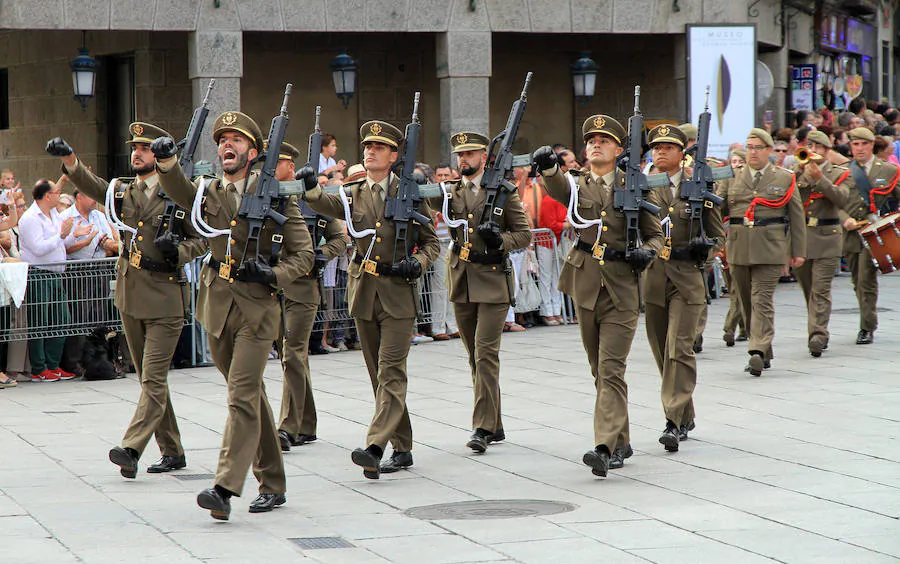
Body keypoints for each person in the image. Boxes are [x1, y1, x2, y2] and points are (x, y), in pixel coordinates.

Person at [151, 111, 314, 519]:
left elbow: (305, 254)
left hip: (258, 308)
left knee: (241, 395)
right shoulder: (209, 191)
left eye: (237, 140)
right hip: (218, 305)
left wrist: (274, 273)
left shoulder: (276, 196)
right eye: (223, 139)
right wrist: (167, 162)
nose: (227, 145)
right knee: (251, 395)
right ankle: (273, 483)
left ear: (254, 152)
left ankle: (224, 486)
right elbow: (179, 191)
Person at [47, 122, 206, 478]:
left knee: (152, 378)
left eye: (145, 148)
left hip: (165, 296)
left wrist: (179, 250)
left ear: (162, 155)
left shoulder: (182, 192)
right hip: (130, 292)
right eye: (134, 147)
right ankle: (173, 451)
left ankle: (132, 447)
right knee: (151, 381)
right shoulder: (124, 190)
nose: (137, 152)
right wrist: (70, 160)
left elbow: (204, 239)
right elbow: (94, 186)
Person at [301, 120, 440, 479]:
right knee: (379, 377)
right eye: (367, 146)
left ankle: (375, 445)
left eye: (379, 146)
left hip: (398, 293)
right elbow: (324, 203)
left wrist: (417, 263)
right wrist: (308, 184)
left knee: (391, 371)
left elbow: (432, 243)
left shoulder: (409, 192)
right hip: (364, 292)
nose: (370, 151)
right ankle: (404, 447)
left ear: (394, 155)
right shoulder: (354, 191)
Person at [532, 114, 663, 477]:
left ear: (620, 149)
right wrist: (547, 166)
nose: (595, 144)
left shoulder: (635, 185)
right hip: (587, 283)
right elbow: (557, 187)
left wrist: (648, 253)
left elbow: (656, 234)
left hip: (622, 284)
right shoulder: (576, 184)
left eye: (604, 140)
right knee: (599, 369)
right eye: (590, 139)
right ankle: (621, 439)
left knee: (610, 368)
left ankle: (604, 446)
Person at [423, 131, 532, 452]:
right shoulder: (450, 191)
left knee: (486, 355)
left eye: (470, 154)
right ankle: (495, 424)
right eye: (460, 155)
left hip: (493, 279)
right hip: (462, 278)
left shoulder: (503, 191)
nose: (463, 160)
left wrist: (501, 241)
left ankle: (482, 427)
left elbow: (523, 235)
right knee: (474, 357)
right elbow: (420, 198)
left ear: (484, 157)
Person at [642, 125, 724, 451]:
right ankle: (685, 413)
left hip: (687, 276)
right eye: (655, 147)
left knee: (679, 349)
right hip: (653, 276)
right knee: (662, 351)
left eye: (667, 147)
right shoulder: (641, 186)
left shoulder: (696, 185)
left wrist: (705, 252)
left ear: (681, 153)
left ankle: (673, 421)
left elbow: (716, 233)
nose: (660, 152)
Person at [274, 141, 348, 452]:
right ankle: (307, 424)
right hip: (271, 287)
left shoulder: (311, 201)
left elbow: (339, 239)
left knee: (293, 354)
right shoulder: (262, 199)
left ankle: (287, 427)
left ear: (290, 167)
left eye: (275, 162)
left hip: (303, 288)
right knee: (292, 358)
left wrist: (322, 254)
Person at [716, 128, 805, 376]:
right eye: (749, 147)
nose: (752, 152)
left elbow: (796, 217)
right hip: (738, 246)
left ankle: (756, 350)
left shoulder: (784, 177)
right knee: (745, 301)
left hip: (770, 248)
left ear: (768, 151)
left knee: (762, 299)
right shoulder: (731, 177)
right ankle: (764, 348)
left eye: (757, 147)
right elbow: (716, 208)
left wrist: (797, 251)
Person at [18, 179, 89, 382]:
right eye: (56, 192)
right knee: (40, 321)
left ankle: (53, 364)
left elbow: (60, 242)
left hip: (56, 273)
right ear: (47, 196)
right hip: (39, 273)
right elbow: (39, 248)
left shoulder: (54, 214)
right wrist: (63, 234)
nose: (59, 195)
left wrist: (74, 235)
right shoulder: (31, 218)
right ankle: (39, 368)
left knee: (60, 319)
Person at [839, 127, 900, 345]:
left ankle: (866, 326)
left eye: (864, 144)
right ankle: (867, 320)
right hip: (852, 234)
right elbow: (834, 202)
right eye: (855, 144)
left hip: (877, 234)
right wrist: (844, 218)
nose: (860, 148)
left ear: (872, 145)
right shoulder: (843, 171)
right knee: (857, 280)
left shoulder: (888, 170)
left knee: (866, 280)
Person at [792, 130, 849, 357]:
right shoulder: (798, 172)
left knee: (820, 288)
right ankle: (816, 326)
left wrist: (819, 178)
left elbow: (842, 198)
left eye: (818, 148)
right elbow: (792, 199)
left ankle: (818, 334)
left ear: (826, 151)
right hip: (804, 236)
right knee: (808, 289)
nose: (813, 151)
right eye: (810, 147)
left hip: (828, 236)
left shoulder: (838, 173)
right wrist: (803, 176)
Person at [60, 190, 117, 260]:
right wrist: (85, 242)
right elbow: (62, 249)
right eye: (92, 196)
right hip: (76, 266)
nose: (95, 200)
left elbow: (110, 244)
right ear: (79, 197)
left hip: (101, 265)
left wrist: (107, 245)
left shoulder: (99, 215)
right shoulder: (65, 217)